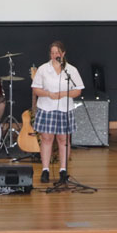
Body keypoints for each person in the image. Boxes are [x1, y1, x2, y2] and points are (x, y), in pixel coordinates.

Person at [31, 41, 84, 183]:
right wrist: (48, 94)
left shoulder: (71, 70)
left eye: (57, 53)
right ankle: (45, 170)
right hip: (46, 108)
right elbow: (35, 89)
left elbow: (78, 90)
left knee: (63, 139)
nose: (55, 55)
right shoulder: (43, 69)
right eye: (52, 53)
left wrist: (63, 94)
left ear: (63, 54)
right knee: (47, 139)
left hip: (64, 109)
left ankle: (63, 170)